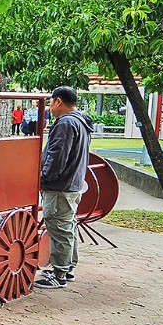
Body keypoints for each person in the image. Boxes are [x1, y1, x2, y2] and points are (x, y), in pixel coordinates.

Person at [33, 87, 93, 290]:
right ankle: (67, 268)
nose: (49, 106)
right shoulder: (81, 122)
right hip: (73, 184)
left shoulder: (66, 123)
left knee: (59, 227)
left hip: (60, 186)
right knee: (68, 226)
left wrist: (43, 178)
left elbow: (57, 157)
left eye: (50, 102)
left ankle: (59, 273)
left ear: (58, 101)